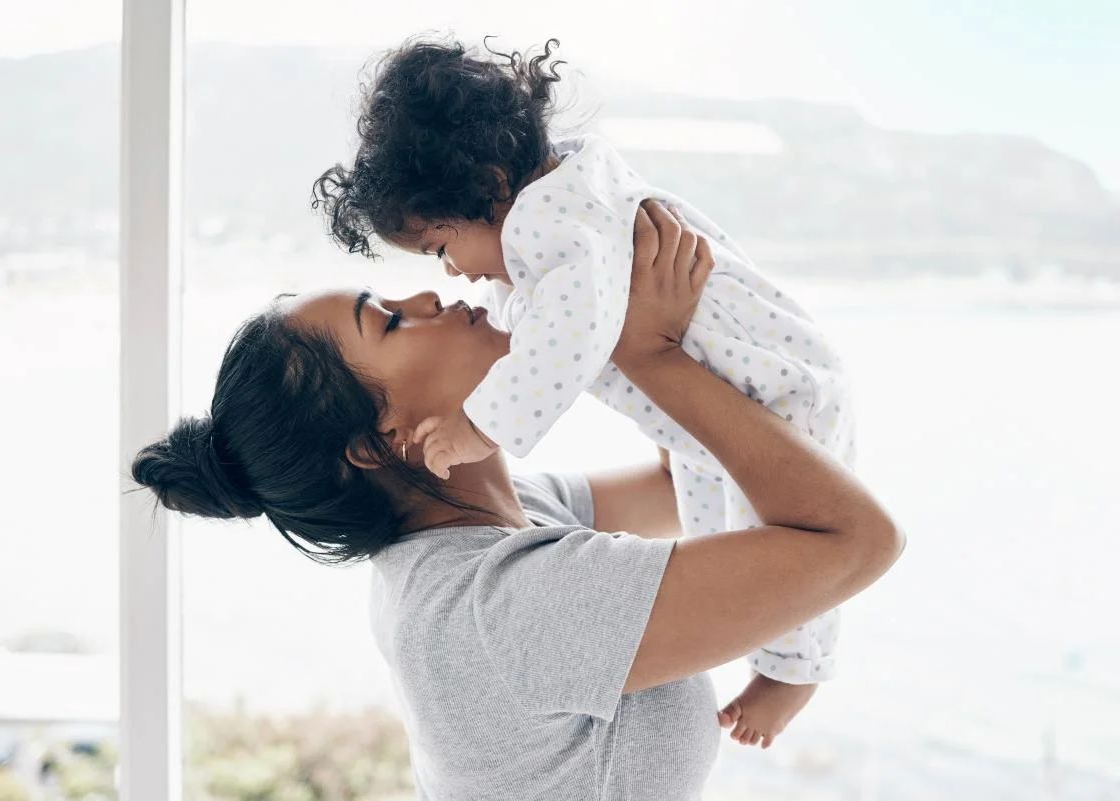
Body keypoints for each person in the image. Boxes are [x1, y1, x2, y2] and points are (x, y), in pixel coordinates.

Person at [130, 201, 903, 798]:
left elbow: (680, 484)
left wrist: (611, 313)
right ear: (376, 442)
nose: (429, 295)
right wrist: (652, 356)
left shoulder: (495, 526)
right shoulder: (502, 606)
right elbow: (859, 541)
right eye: (391, 321)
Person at [315, 36, 854, 738]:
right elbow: (539, 324)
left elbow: (565, 338)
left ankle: (795, 669)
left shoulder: (555, 225)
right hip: (734, 396)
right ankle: (786, 659)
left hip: (778, 388)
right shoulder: (560, 206)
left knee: (776, 538)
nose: (445, 278)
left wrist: (479, 425)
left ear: (489, 185)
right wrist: (653, 362)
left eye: (442, 247)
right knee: (713, 513)